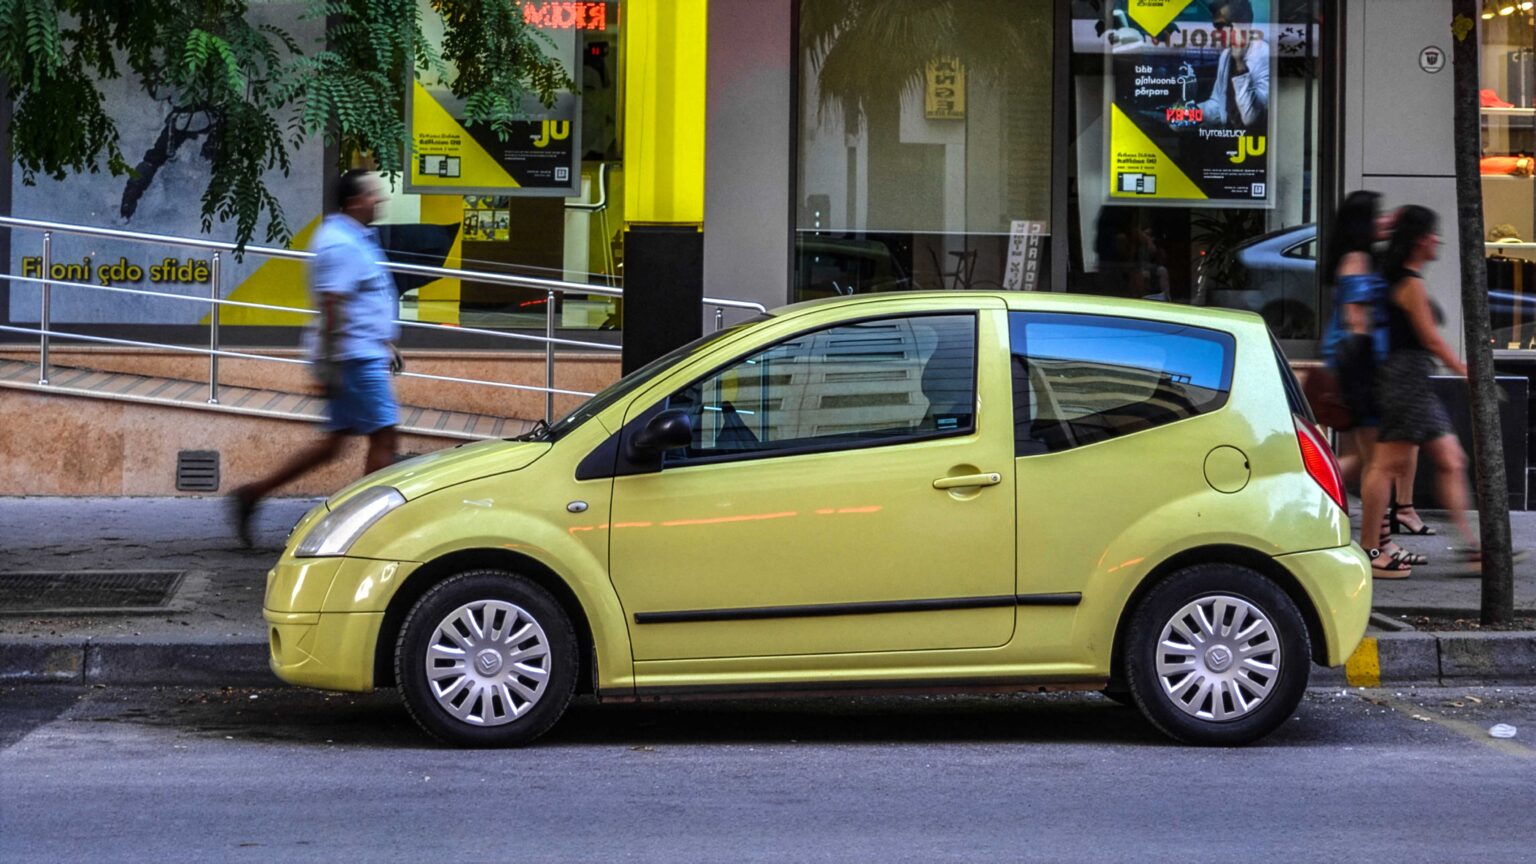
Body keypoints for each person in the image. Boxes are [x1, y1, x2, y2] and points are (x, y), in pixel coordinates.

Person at [229, 170, 403, 546]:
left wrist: (385, 342)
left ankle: (251, 495)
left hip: (359, 352)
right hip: (352, 359)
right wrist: (328, 366)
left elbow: (361, 300)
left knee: (333, 444)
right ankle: (367, 529)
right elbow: (331, 305)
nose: (380, 201)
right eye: (374, 195)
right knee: (385, 436)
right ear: (355, 201)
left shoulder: (353, 237)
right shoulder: (340, 243)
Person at [1358, 206, 1479, 578]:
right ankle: (1372, 550)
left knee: (1450, 459)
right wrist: (1463, 370)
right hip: (1405, 380)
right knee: (1385, 464)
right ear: (1418, 240)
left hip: (1411, 381)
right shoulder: (1409, 283)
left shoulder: (1402, 278)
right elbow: (1429, 338)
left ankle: (1473, 549)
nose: (1437, 240)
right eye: (1431, 233)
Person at [1320, 192, 1425, 565]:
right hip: (1361, 368)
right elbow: (1357, 321)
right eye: (1376, 217)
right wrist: (1373, 377)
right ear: (1362, 223)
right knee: (1376, 462)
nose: (1382, 223)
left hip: (1357, 365)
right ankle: (1373, 548)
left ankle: (1382, 543)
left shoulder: (1360, 257)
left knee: (1369, 460)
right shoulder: (1356, 260)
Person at [1199, 0, 1270, 129]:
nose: (1217, 33)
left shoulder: (1264, 55)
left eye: (1221, 26)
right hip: (1227, 135)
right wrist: (1191, 112)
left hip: (1253, 140)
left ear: (1243, 25)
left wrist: (1239, 63)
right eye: (1216, 27)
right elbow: (1218, 105)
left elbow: (1251, 118)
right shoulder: (1226, 56)